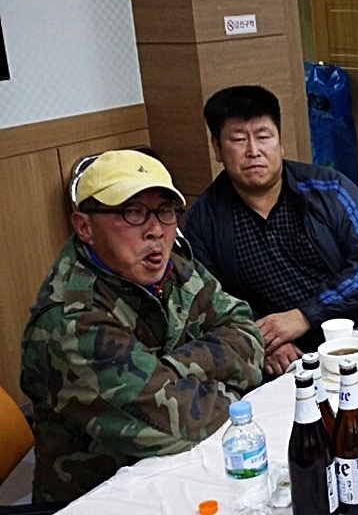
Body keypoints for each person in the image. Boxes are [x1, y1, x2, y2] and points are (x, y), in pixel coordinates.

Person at [21, 150, 265, 502]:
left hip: (178, 470)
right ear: (85, 227)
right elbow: (181, 426)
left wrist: (171, 371)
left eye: (165, 211)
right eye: (132, 212)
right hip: (104, 498)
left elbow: (245, 331)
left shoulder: (169, 267)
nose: (155, 230)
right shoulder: (71, 321)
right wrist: (233, 395)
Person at [185, 85, 358, 376]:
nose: (253, 151)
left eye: (264, 137)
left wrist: (305, 315)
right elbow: (210, 300)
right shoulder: (204, 221)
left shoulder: (329, 188)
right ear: (217, 148)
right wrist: (263, 339)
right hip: (288, 352)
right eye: (238, 140)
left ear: (280, 142)